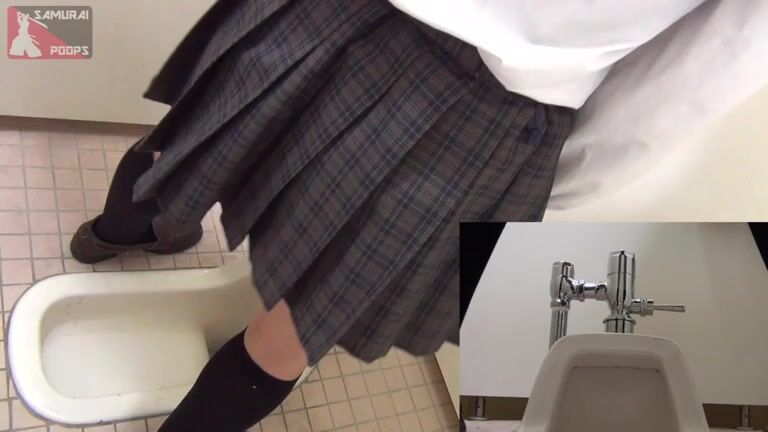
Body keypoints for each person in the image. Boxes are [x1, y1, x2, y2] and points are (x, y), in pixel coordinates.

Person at [69, 0, 716, 430]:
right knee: (297, 322)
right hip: (489, 107)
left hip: (350, 14)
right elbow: (687, 82)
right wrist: (545, 177)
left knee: (195, 143)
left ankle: (110, 236)